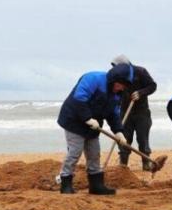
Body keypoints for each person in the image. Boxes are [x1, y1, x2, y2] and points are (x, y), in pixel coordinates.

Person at [55, 64, 131, 195]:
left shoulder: (118, 93)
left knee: (94, 153)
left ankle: (96, 186)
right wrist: (88, 118)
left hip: (94, 124)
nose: (121, 88)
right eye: (120, 84)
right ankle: (65, 183)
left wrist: (119, 132)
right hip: (74, 119)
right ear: (113, 80)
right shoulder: (93, 79)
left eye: (124, 86)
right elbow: (78, 100)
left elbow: (113, 114)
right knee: (75, 152)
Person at [110, 55, 158, 170]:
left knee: (143, 139)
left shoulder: (140, 71)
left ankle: (146, 163)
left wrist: (140, 93)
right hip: (124, 111)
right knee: (124, 139)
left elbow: (152, 86)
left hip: (142, 112)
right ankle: (123, 164)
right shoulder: (115, 76)